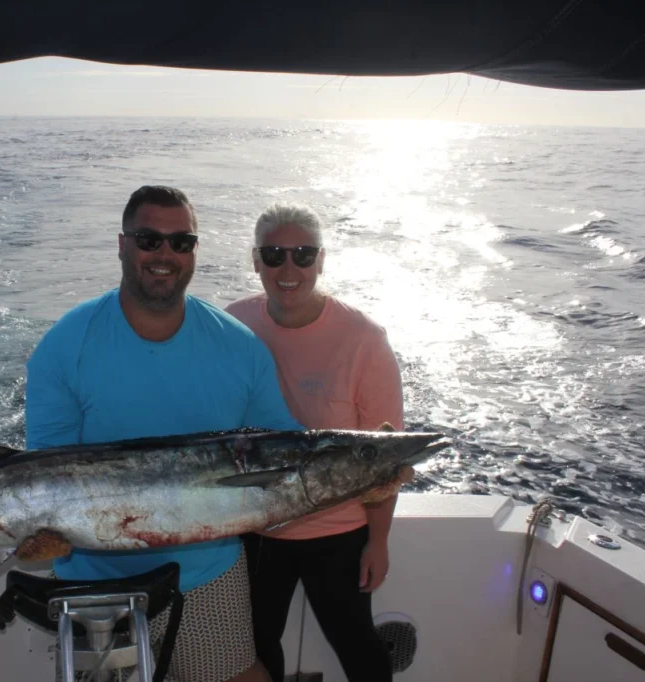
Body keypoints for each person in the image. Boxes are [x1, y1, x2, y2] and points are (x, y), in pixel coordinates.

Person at [24, 186, 303, 682]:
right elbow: (47, 473)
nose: (165, 255)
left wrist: (365, 472)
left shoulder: (240, 348)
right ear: (121, 244)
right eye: (149, 239)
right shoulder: (66, 344)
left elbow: (286, 459)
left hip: (205, 575)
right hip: (95, 579)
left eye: (182, 242)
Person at [226, 202, 404, 682]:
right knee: (257, 646)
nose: (289, 268)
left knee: (357, 645)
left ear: (321, 261)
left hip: (338, 533)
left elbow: (385, 457)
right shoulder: (232, 325)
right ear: (255, 260)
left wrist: (379, 540)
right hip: (257, 529)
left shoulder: (364, 339)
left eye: (303, 255)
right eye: (274, 254)